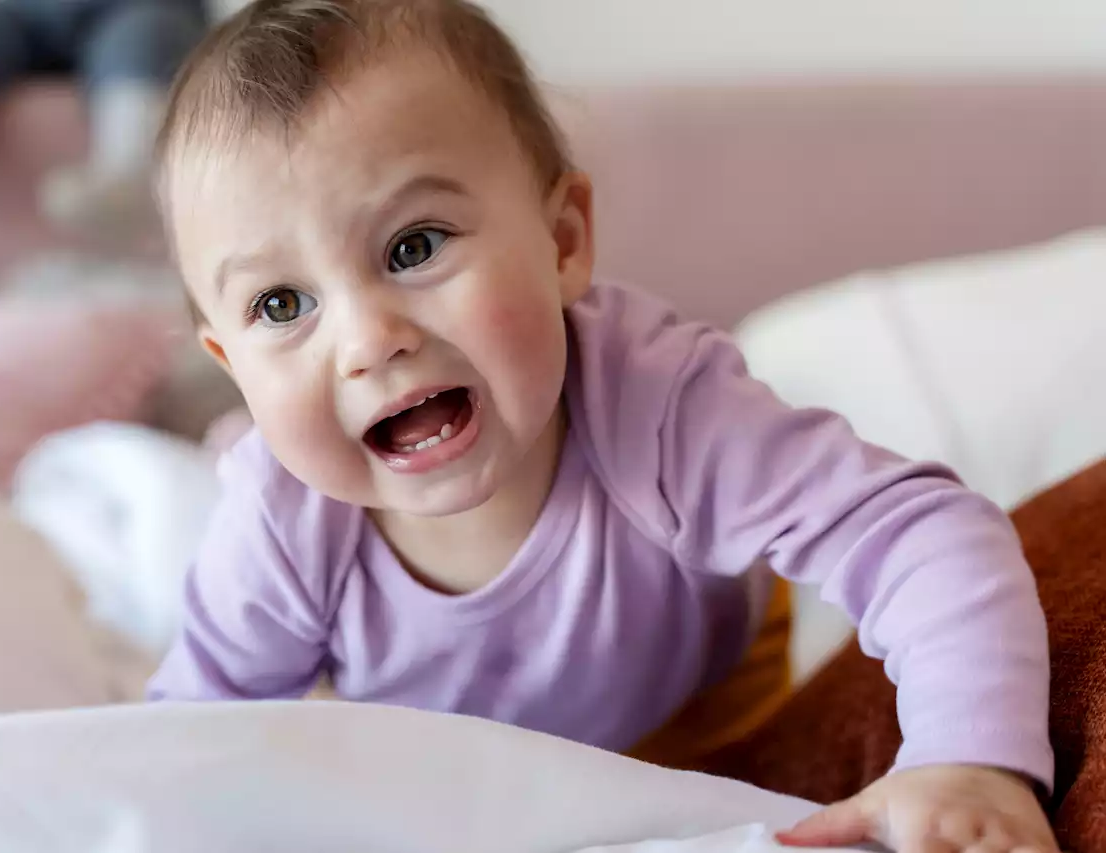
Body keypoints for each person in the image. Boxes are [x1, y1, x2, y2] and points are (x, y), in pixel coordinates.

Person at [147, 2, 1058, 850]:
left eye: (413, 247)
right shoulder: (280, 523)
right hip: (443, 786)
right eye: (280, 303)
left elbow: (917, 535)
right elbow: (183, 749)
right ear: (231, 363)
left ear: (563, 242)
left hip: (708, 723)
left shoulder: (661, 407)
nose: (368, 341)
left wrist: (967, 755)